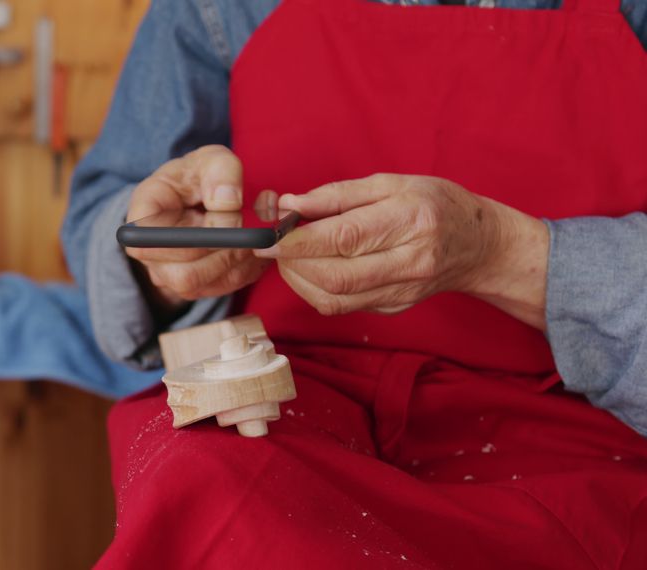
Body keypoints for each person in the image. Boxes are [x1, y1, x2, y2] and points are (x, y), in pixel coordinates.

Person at [62, 0, 647, 567]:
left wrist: (500, 251)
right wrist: (167, 265)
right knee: (206, 492)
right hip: (287, 400)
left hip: (575, 427)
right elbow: (102, 227)